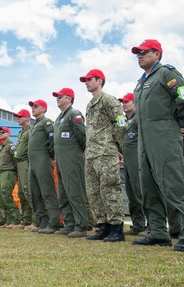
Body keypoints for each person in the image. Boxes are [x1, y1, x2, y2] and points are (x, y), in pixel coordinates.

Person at [130, 39, 184, 251]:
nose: (139, 56)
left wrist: (178, 125)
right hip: (145, 140)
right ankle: (158, 232)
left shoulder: (167, 73)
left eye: (143, 52)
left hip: (164, 137)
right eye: (138, 53)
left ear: (157, 54)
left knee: (176, 185)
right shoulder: (140, 82)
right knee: (148, 187)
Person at [81, 69, 127, 242]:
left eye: (89, 79)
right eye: (85, 80)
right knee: (93, 192)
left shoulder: (109, 100)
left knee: (110, 188)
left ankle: (117, 227)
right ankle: (103, 226)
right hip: (91, 154)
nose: (86, 82)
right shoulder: (90, 104)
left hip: (106, 152)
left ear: (99, 81)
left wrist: (116, 144)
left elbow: (121, 122)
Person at [52, 88, 89, 237]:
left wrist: (77, 153)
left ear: (69, 98)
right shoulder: (59, 118)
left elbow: (83, 137)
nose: (57, 99)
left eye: (60, 96)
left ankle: (81, 225)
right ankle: (70, 223)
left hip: (72, 157)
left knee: (75, 190)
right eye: (57, 96)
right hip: (61, 159)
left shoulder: (74, 114)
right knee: (63, 192)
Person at [28, 99, 61, 234]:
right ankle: (43, 221)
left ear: (44, 109)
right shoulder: (34, 125)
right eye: (32, 107)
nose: (33, 108)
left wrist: (50, 155)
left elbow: (52, 139)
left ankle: (53, 222)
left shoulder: (46, 122)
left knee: (47, 191)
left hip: (43, 159)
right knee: (35, 193)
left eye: (36, 106)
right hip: (33, 162)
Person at [118, 93, 146, 235]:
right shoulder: (123, 120)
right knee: (131, 192)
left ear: (134, 103)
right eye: (122, 102)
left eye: (126, 102)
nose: (123, 104)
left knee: (139, 191)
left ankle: (151, 225)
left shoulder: (138, 118)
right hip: (127, 161)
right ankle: (138, 224)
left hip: (137, 159)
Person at [13, 109, 38, 231]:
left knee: (28, 191)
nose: (18, 118)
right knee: (21, 193)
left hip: (27, 162)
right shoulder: (21, 132)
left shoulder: (30, 131)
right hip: (20, 163)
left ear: (27, 118)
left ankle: (36, 220)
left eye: (20, 116)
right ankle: (26, 220)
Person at [0, 127, 22, 229]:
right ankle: (9, 220)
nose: (1, 134)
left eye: (3, 132)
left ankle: (16, 219)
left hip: (9, 172)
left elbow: (16, 159)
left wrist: (16, 173)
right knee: (3, 197)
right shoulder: (2, 147)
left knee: (6, 195)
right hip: (2, 173)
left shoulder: (11, 146)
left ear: (8, 134)